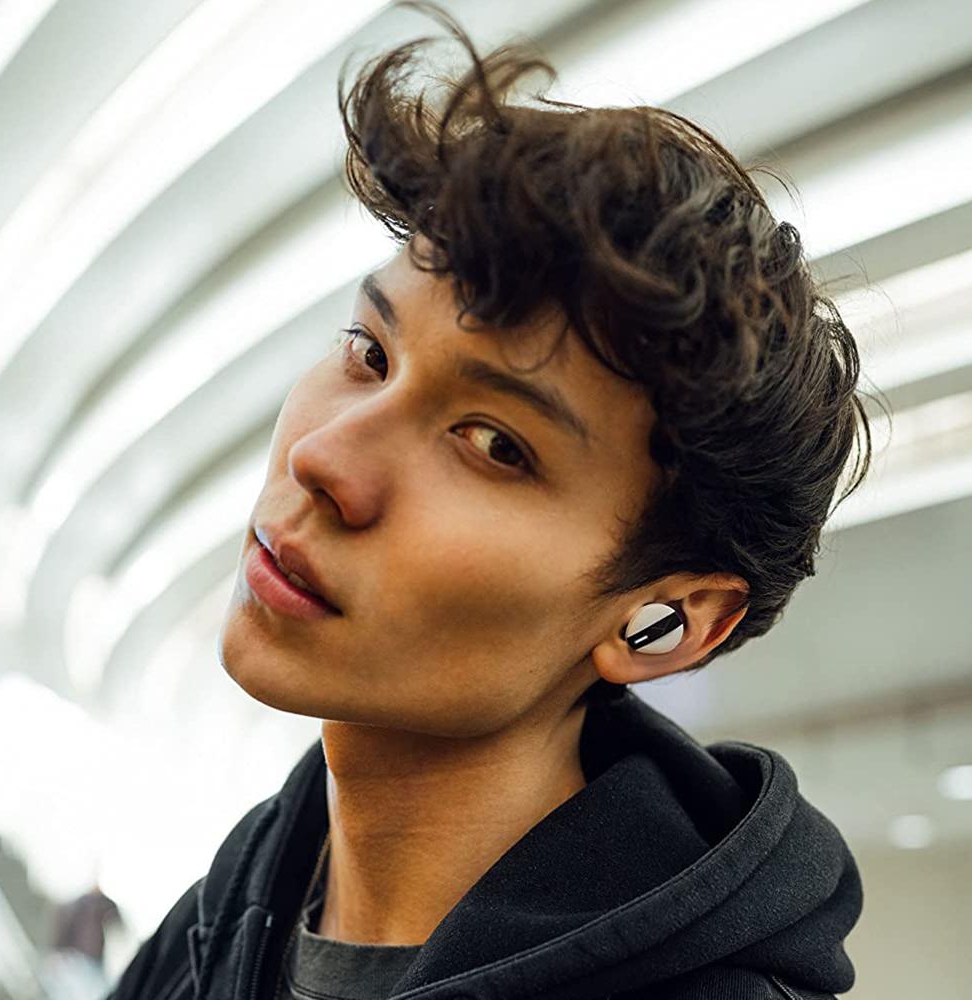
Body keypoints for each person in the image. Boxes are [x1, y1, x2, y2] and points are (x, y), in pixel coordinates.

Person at [107, 2, 877, 998]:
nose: (325, 456)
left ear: (670, 619)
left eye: (493, 444)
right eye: (368, 352)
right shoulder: (221, 923)